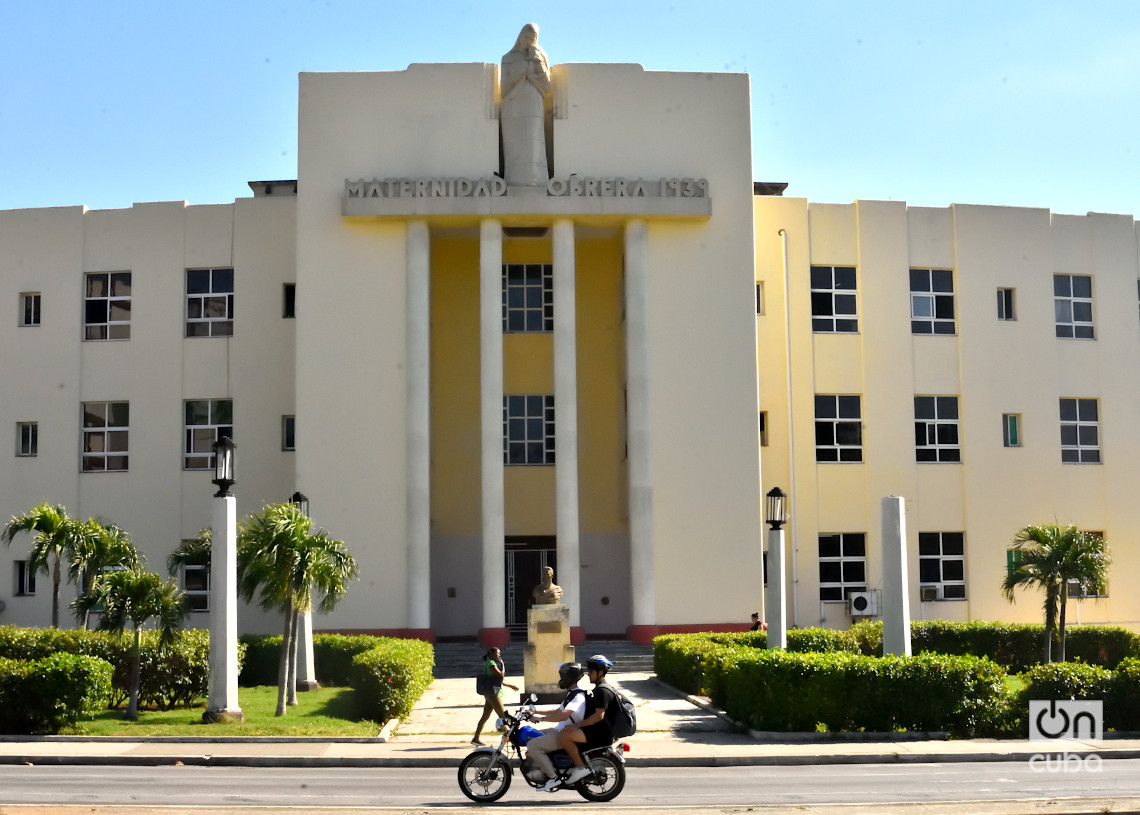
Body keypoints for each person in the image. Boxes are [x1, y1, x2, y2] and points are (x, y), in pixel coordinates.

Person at [546, 654, 617, 791]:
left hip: (599, 733)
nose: (588, 674)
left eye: (591, 672)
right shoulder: (600, 688)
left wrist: (576, 725)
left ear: (600, 672)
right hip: (598, 730)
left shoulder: (602, 691)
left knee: (564, 735)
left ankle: (580, 767)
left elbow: (598, 716)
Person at [500, 23, 551, 187]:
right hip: (512, 105)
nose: (528, 41)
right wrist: (522, 69)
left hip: (533, 104)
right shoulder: (508, 58)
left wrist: (536, 61)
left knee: (533, 142)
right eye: (526, 37)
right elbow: (505, 86)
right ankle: (514, 180)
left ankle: (534, 179)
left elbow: (546, 84)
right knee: (514, 142)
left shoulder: (539, 56)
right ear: (519, 36)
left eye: (532, 38)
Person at [525, 662, 588, 784]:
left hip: (564, 734)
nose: (561, 680)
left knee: (533, 745)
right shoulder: (571, 694)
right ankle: (541, 769)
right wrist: (534, 710)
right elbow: (557, 711)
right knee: (530, 735)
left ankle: (553, 778)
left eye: (562, 677)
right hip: (559, 730)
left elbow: (563, 715)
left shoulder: (578, 696)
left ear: (569, 677)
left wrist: (540, 719)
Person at [472, 647, 518, 745]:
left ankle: (476, 738)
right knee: (503, 716)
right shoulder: (492, 664)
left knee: (485, 716)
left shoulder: (488, 663)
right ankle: (508, 739)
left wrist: (511, 686)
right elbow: (501, 675)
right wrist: (502, 665)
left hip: (489, 694)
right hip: (493, 695)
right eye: (497, 653)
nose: (499, 655)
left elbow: (497, 680)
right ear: (491, 654)